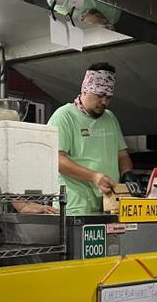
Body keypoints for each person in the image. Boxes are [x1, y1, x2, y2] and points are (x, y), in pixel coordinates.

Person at [47, 63, 133, 215]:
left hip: (110, 203)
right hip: (75, 206)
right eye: (100, 96)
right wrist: (94, 177)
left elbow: (122, 154)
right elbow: (56, 160)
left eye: (108, 97)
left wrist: (127, 174)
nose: (104, 102)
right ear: (85, 90)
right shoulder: (64, 116)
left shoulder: (110, 118)